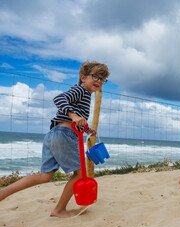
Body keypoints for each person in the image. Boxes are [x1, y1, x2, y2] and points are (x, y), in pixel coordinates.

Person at [0, 61, 110, 218]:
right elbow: (59, 99)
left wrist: (86, 129)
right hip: (64, 135)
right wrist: (74, 116)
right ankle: (59, 210)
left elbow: (71, 118)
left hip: (54, 134)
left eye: (102, 79)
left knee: (46, 176)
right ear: (83, 77)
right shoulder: (80, 90)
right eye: (95, 77)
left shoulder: (85, 95)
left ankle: (4, 192)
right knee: (79, 174)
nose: (99, 81)